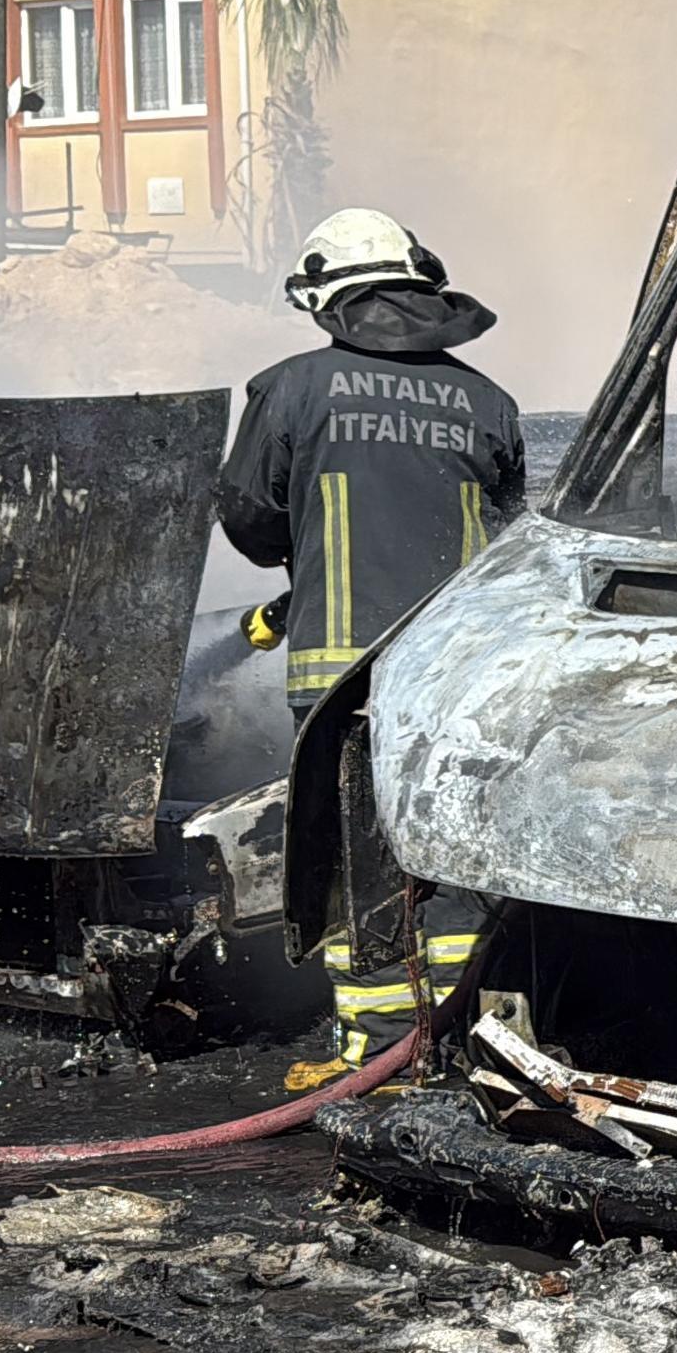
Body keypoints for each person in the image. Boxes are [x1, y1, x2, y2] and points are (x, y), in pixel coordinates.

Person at [217, 208, 525, 1088]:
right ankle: (480, 1034)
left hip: (341, 677)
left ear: (327, 298)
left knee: (361, 861)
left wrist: (304, 545)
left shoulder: (294, 387)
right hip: (466, 673)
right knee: (459, 852)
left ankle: (376, 1055)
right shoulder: (487, 401)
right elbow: (508, 539)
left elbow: (249, 519)